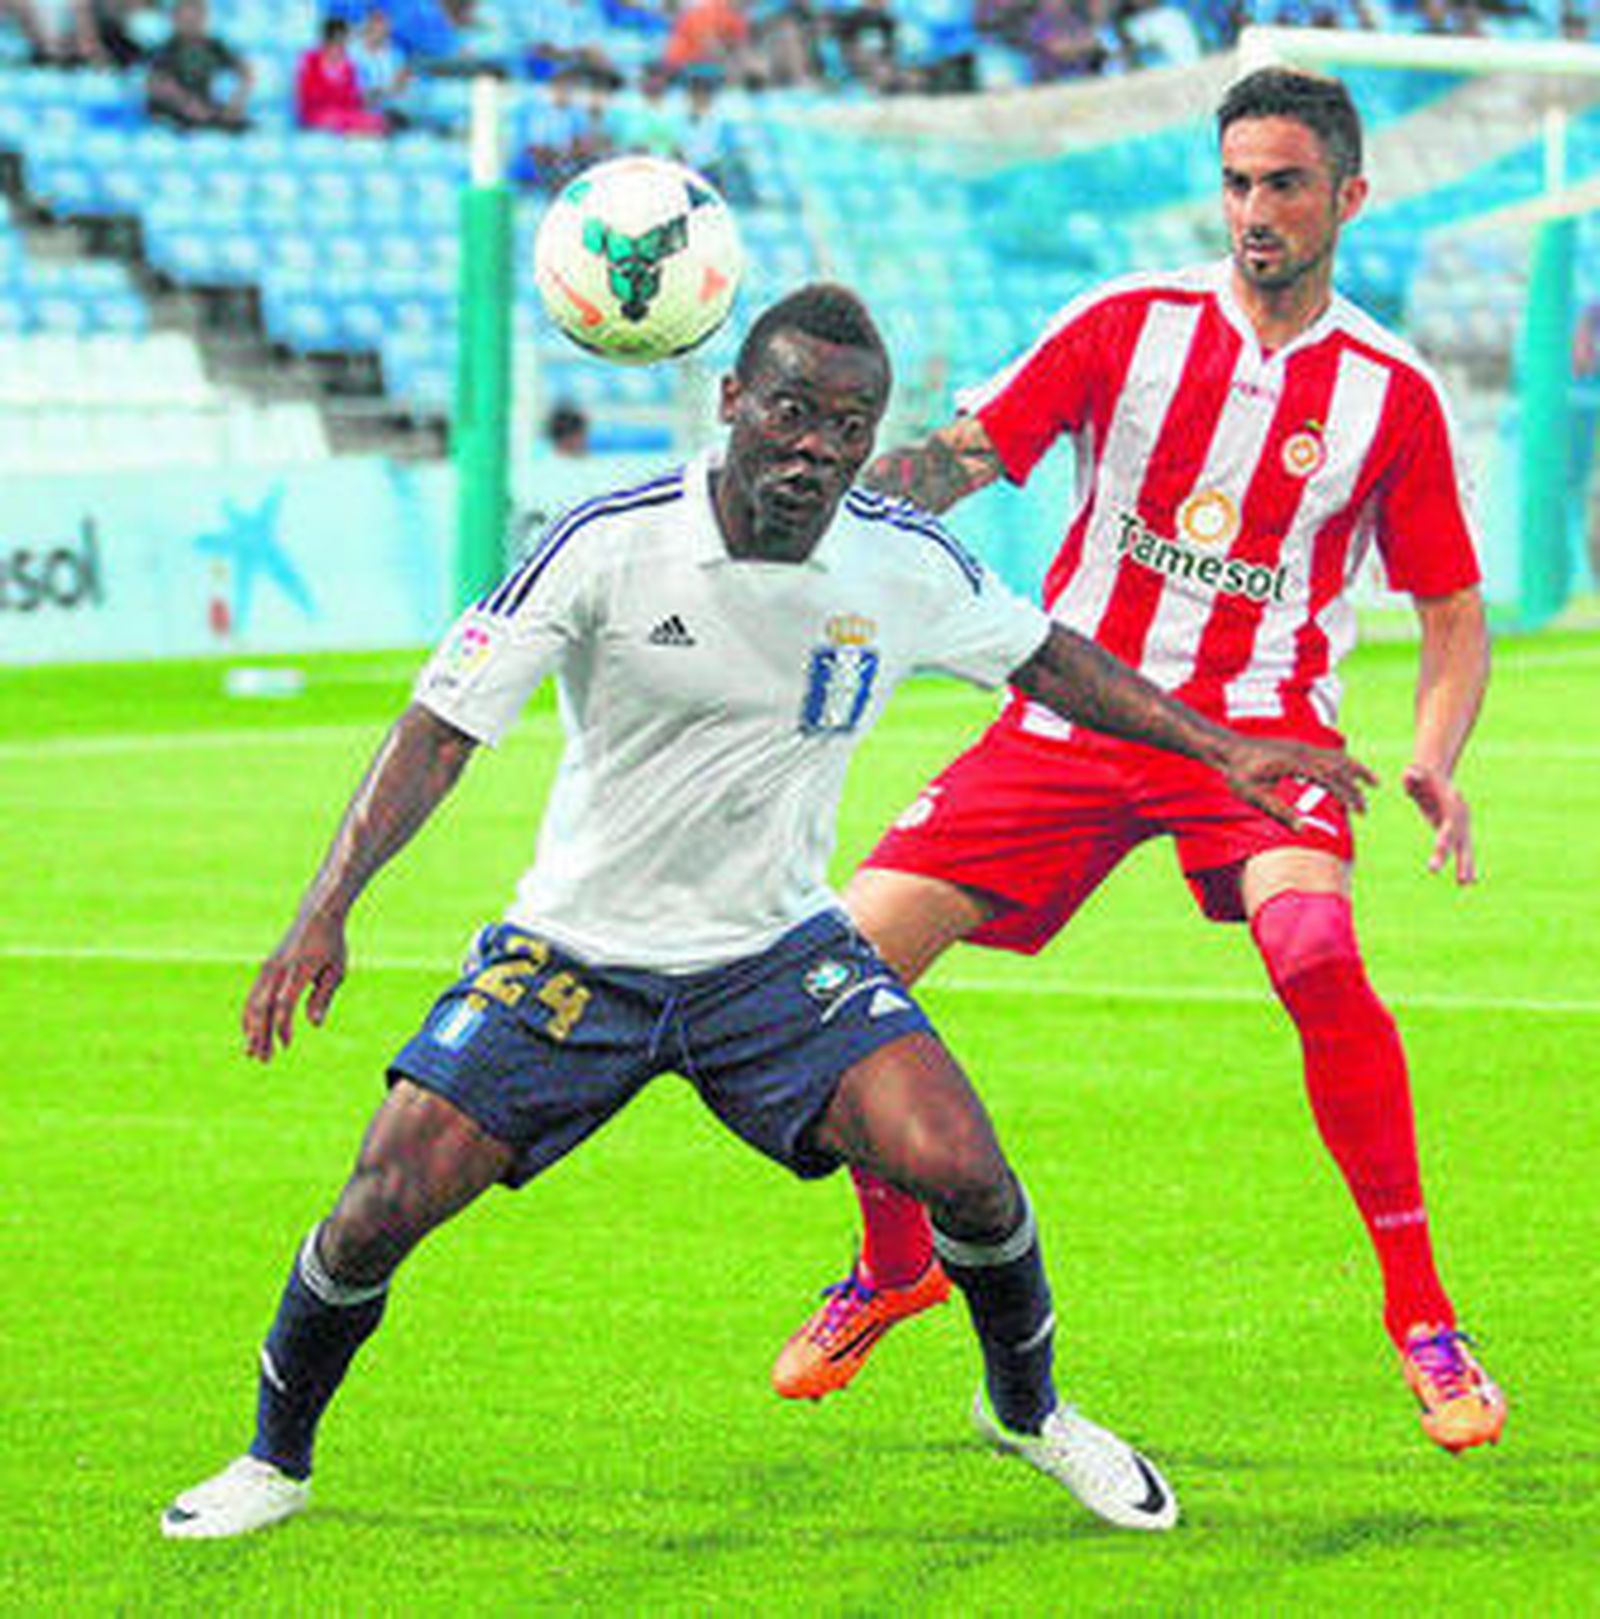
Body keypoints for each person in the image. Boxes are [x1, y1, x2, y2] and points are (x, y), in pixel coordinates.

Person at [159, 282, 1372, 1542]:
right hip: (577, 953)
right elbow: (439, 729)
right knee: (381, 1201)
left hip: (771, 958)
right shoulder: (608, 541)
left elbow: (1051, 658)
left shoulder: (900, 558)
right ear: (732, 400)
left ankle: (1028, 1412)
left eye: (850, 425)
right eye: (792, 411)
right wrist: (327, 904)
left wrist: (1221, 748)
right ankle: (271, 1460)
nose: (817, 447)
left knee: (966, 1170)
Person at [771, 69, 1508, 1460]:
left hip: (1258, 732)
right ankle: (895, 1261)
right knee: (835, 971)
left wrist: (1431, 754)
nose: (1255, 212)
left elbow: (1451, 613)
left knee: (1314, 950)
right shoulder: (1128, 324)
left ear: (1349, 196)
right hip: (1075, 706)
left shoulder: (1390, 394)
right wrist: (831, 495)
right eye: (1236, 182)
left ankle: (1422, 1313)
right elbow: (968, 454)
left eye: (1285, 183)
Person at [145, 0, 253, 133]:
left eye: (195, 18)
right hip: (172, 111)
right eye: (186, 18)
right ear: (174, 20)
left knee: (245, 127)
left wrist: (237, 101)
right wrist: (186, 103)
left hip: (204, 106)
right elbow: (157, 84)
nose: (191, 23)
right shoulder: (165, 49)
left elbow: (245, 71)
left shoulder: (214, 46)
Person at [295, 17, 390, 136]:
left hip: (343, 115)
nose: (340, 47)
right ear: (326, 41)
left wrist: (367, 98)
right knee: (343, 122)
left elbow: (351, 101)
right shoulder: (310, 61)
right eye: (336, 41)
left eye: (343, 43)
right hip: (316, 115)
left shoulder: (348, 66)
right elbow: (309, 97)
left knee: (379, 122)